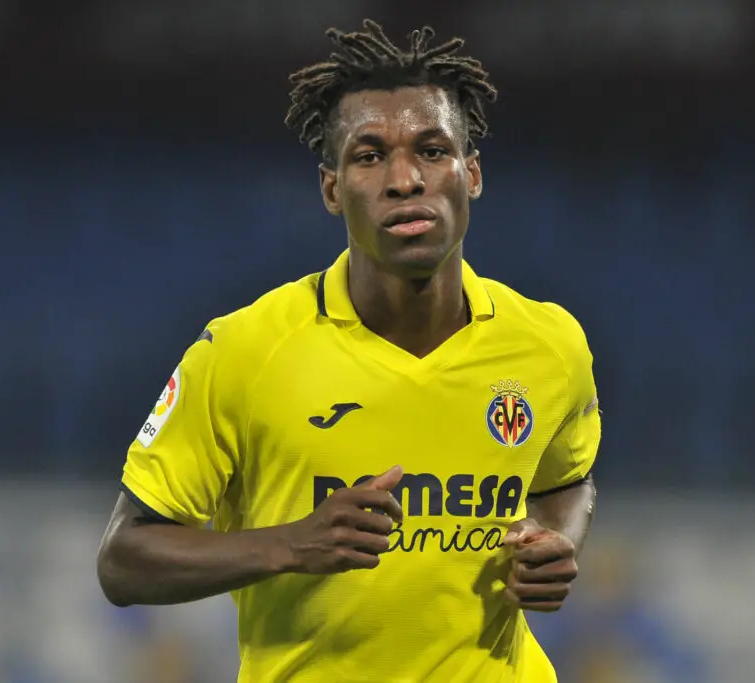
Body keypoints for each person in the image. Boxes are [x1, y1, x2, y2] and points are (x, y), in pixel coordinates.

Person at [97, 19, 601, 683]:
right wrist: (289, 544)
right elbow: (123, 561)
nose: (404, 179)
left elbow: (567, 482)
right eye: (369, 156)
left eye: (432, 150)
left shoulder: (548, 343)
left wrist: (556, 540)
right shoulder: (245, 351)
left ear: (472, 174)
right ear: (332, 189)